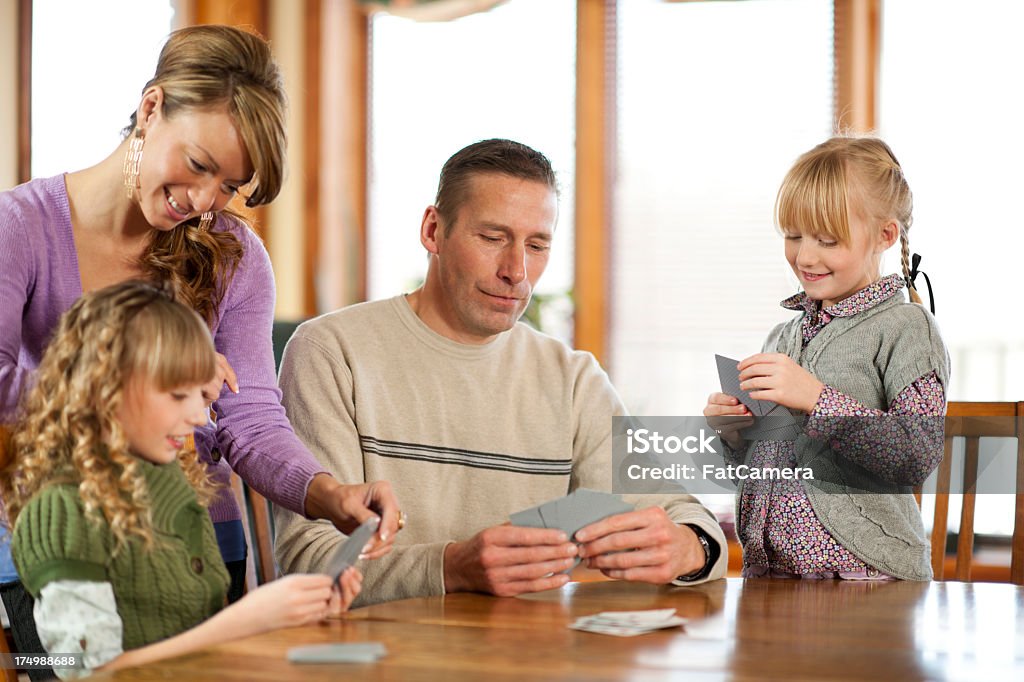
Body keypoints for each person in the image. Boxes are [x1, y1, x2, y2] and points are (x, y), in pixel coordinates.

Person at [0, 24, 398, 672]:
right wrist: (130, 376)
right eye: (200, 165)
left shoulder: (235, 257)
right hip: (58, 549)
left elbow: (251, 419)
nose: (207, 202)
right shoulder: (18, 229)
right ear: (152, 108)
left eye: (231, 187)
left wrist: (330, 495)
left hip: (196, 541)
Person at [273, 139, 727, 605]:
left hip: (528, 660)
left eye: (537, 245)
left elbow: (682, 512)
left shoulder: (572, 379)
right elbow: (309, 557)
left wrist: (690, 547)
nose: (517, 271)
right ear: (433, 230)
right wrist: (452, 567)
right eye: (492, 238)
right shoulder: (330, 351)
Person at [2, 281, 363, 679]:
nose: (197, 416)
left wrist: (289, 616)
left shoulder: (173, 483)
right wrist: (244, 621)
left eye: (201, 395)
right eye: (178, 396)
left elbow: (200, 640)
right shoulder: (61, 511)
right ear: (104, 392)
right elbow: (86, 671)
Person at [703, 136, 949, 580]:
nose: (805, 255)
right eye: (793, 236)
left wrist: (816, 398)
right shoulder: (782, 336)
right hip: (772, 576)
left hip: (868, 581)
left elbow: (917, 456)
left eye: (828, 240)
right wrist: (735, 436)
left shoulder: (908, 329)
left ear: (884, 235)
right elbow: (760, 465)